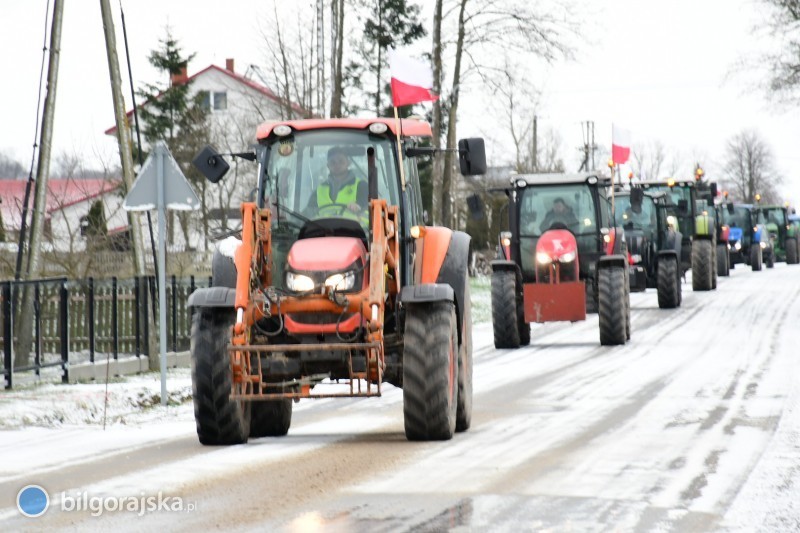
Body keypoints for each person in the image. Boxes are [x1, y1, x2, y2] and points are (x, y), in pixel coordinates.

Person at [304, 146, 368, 223]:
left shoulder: (361, 185)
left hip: (358, 232)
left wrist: (358, 205)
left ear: (348, 163)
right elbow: (307, 214)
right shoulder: (319, 190)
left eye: (341, 161)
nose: (337, 165)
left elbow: (369, 204)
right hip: (324, 232)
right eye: (333, 162)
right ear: (328, 166)